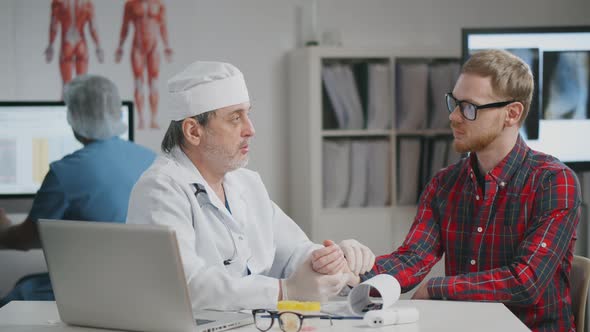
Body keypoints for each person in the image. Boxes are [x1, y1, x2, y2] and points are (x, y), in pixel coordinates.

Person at [317, 49, 582, 331]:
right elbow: (413, 257)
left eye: (469, 107)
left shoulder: (553, 181)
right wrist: (355, 274)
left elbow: (525, 281)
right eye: (454, 103)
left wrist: (437, 288)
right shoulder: (445, 184)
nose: (454, 117)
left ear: (512, 113)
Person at [126, 61, 374, 311]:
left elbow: (294, 252)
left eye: (248, 114)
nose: (250, 129)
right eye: (235, 118)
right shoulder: (160, 189)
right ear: (193, 131)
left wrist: (331, 260)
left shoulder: (246, 182)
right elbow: (183, 285)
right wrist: (284, 291)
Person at [0, 74, 156, 307]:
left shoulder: (64, 172)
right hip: (148, 286)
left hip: (95, 290)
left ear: (74, 117)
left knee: (14, 300)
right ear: (116, 112)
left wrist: (3, 228)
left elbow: (26, 240)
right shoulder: (152, 159)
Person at [115, 0, 173, 130]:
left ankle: (153, 119)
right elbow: (125, 26)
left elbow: (163, 26)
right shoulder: (130, 5)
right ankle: (141, 119)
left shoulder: (158, 4)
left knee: (153, 83)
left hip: (154, 46)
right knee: (139, 83)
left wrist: (167, 46)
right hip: (138, 47)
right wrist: (120, 46)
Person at [44, 0, 104, 92]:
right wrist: (98, 46)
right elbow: (93, 27)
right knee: (82, 85)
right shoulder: (87, 3)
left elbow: (54, 26)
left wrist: (51, 45)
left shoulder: (58, 3)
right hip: (81, 44)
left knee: (66, 86)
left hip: (67, 43)